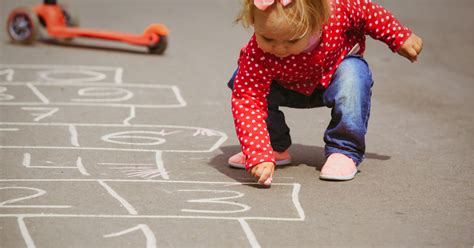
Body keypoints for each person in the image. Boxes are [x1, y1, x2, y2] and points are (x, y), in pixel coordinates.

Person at [227, 0, 423, 185]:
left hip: (333, 79)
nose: (279, 48)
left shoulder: (337, 10)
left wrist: (399, 36)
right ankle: (271, 145)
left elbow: (368, 13)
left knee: (354, 73)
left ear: (318, 21)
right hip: (285, 87)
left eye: (292, 40)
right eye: (267, 38)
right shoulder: (257, 54)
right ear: (253, 22)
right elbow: (248, 101)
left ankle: (344, 150)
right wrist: (258, 152)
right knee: (242, 82)